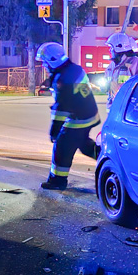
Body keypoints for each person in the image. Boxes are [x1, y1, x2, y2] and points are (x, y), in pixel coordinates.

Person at [36, 42, 100, 190]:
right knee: (84, 145)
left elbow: (61, 109)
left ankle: (57, 181)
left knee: (62, 148)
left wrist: (54, 131)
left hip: (78, 119)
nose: (44, 65)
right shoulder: (74, 69)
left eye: (45, 62)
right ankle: (109, 158)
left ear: (53, 60)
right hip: (89, 115)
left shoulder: (62, 80)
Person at [104, 32, 138, 111]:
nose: (110, 50)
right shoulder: (111, 66)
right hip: (114, 109)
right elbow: (109, 87)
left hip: (130, 109)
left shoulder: (136, 63)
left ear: (119, 47)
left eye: (112, 47)